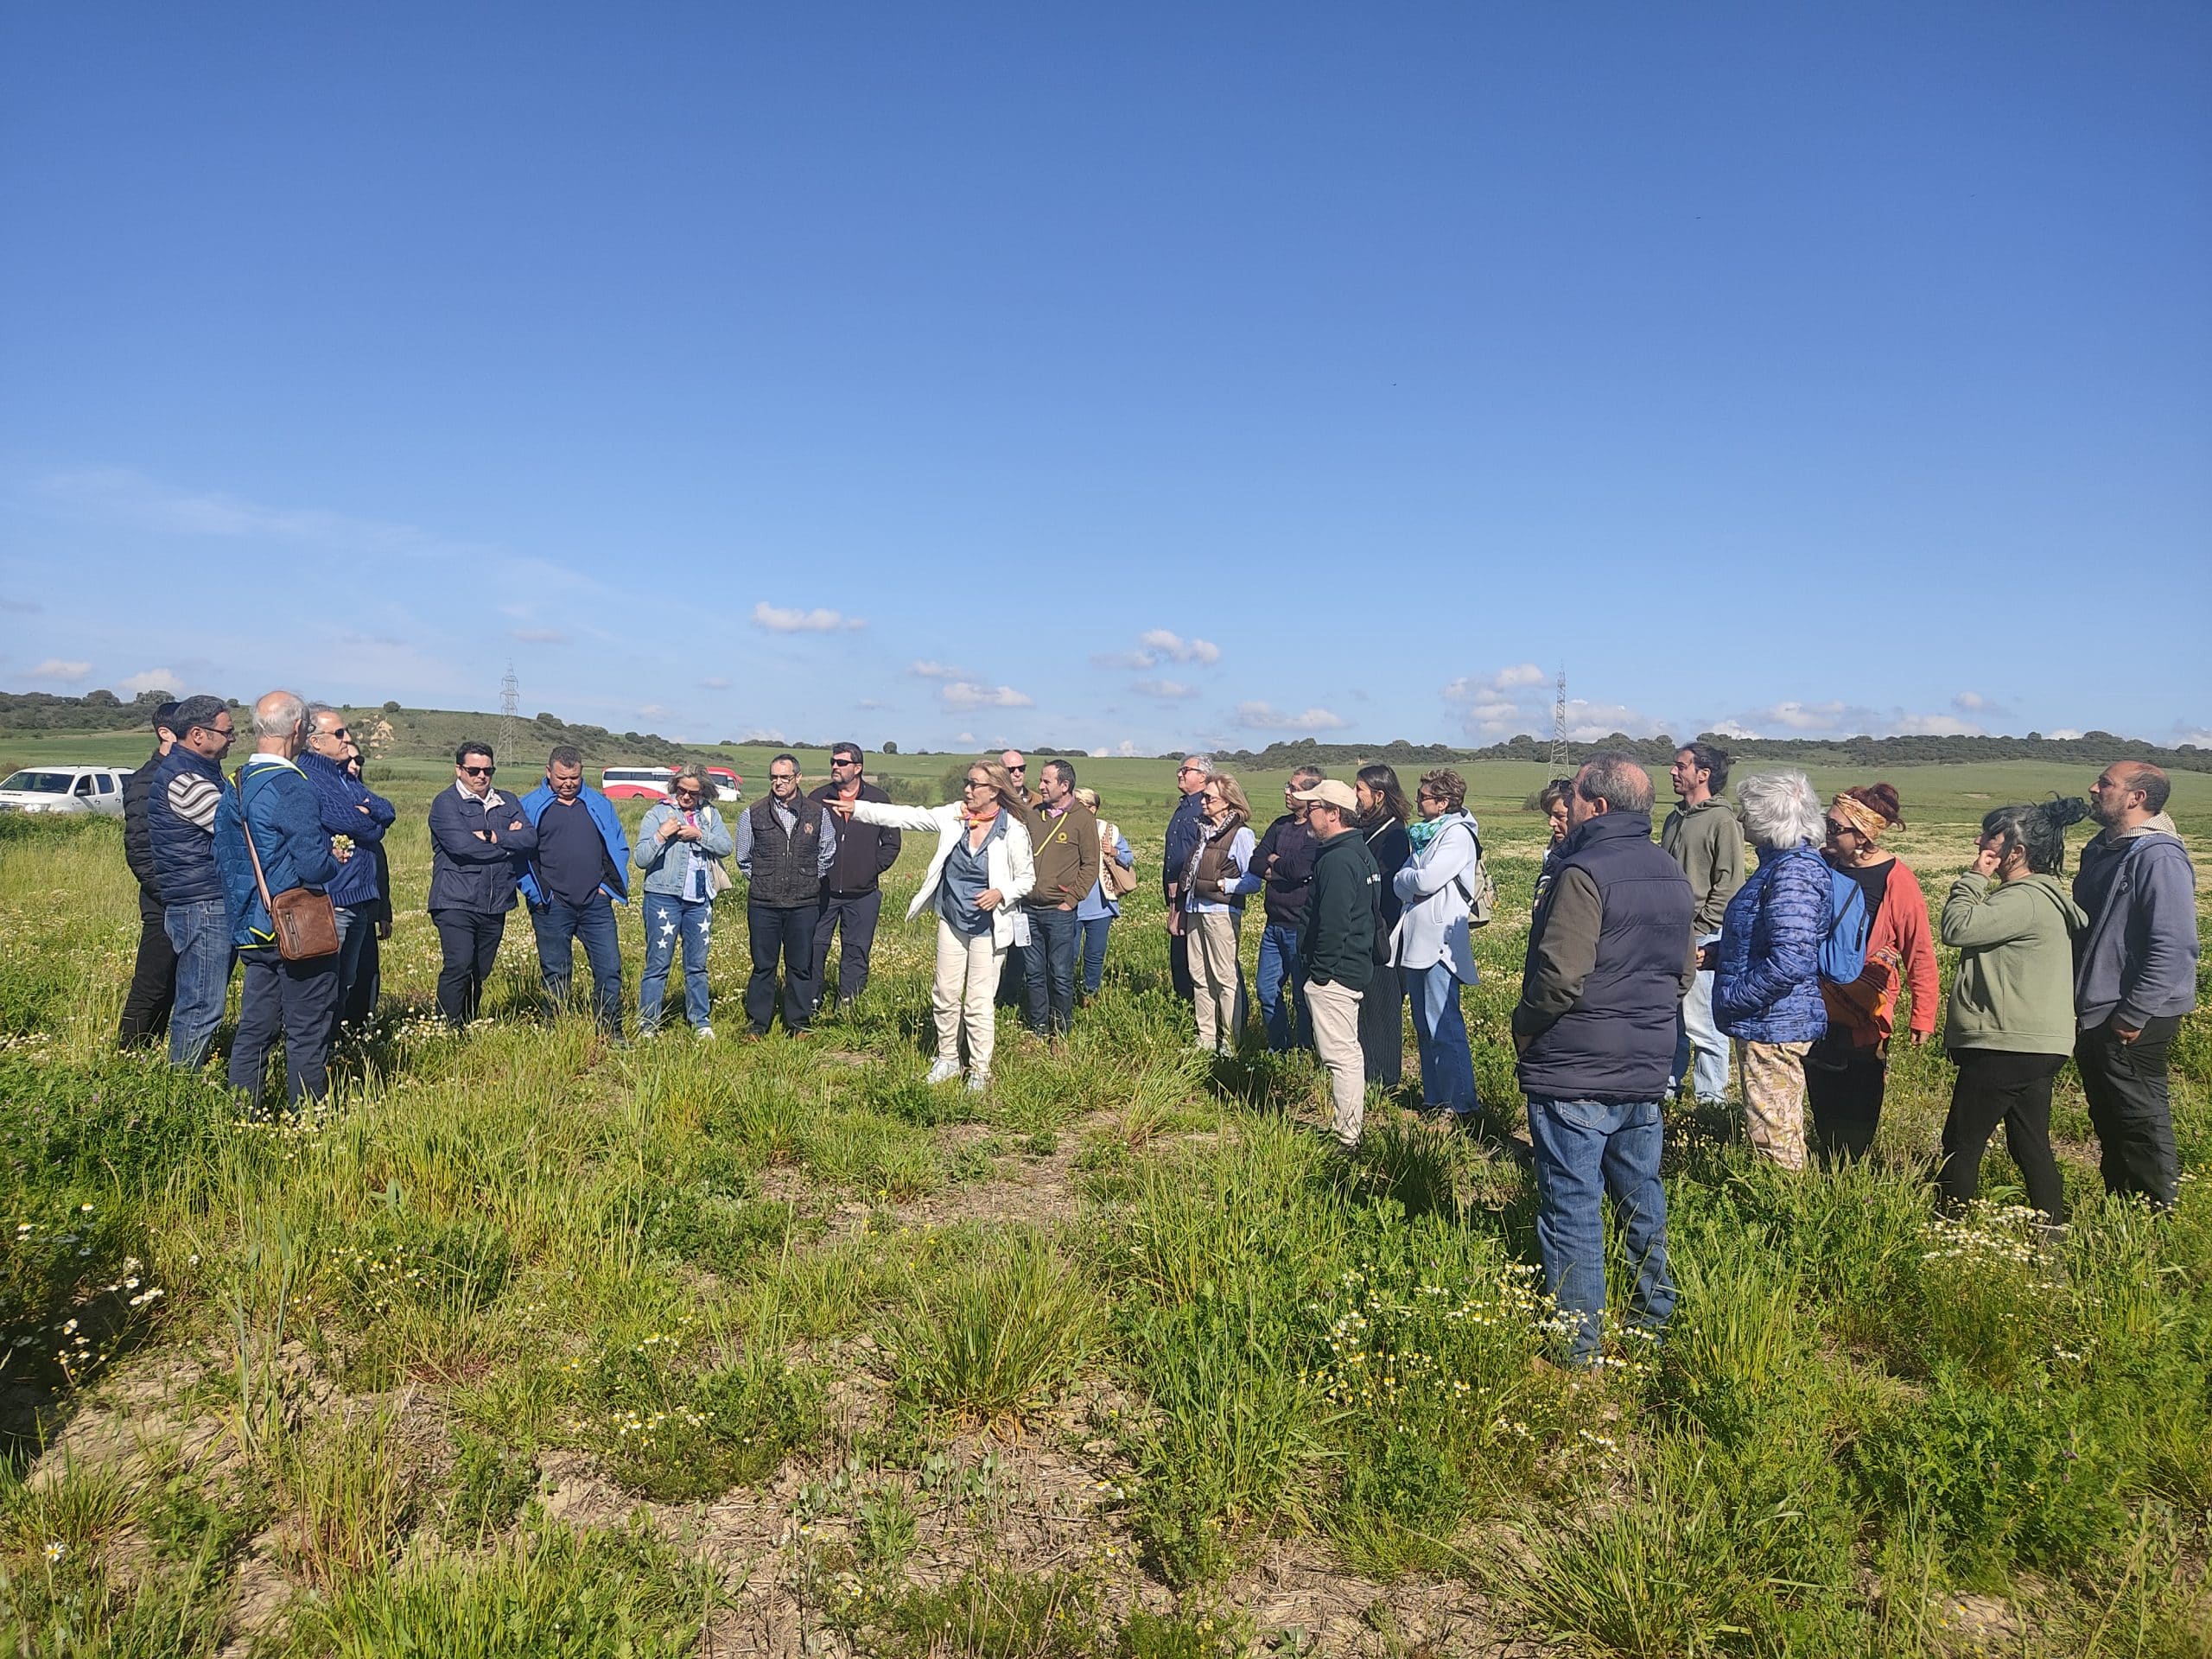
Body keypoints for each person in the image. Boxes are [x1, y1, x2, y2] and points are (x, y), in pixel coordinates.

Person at [1512, 754, 1695, 1364]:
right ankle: (1652, 1323)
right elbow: (1683, 972)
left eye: (1579, 798)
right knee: (1641, 1195)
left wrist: (1526, 1026)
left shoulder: (1582, 872)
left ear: (1598, 805)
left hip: (1576, 1065)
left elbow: (1559, 978)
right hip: (1645, 1064)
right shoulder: (1669, 870)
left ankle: (1575, 1344)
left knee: (1572, 1205)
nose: (1572, 807)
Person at [828, 761, 1035, 1090]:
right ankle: (948, 1058)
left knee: (978, 1001)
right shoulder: (956, 816)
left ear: (994, 791)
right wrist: (859, 809)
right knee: (946, 992)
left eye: (974, 785)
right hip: (952, 919)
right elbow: (910, 816)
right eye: (967, 783)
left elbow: (1027, 879)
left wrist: (1000, 892)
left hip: (988, 927)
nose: (967, 790)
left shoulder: (1012, 831)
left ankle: (980, 1070)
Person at [1937, 799, 2091, 1220]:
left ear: (2015, 852)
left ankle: (1947, 1229)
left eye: (1989, 837)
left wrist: (1974, 877)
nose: (1979, 842)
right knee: (2029, 1142)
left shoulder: (2022, 899)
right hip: (2039, 1043)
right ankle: (2051, 1229)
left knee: (1961, 1142)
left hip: (2006, 1041)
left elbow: (1955, 927)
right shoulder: (2043, 898)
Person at [2075, 763, 2199, 1209]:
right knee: (2110, 1111)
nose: (2093, 788)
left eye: (2105, 784)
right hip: (2100, 1005)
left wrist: (2134, 1012)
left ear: (2136, 799)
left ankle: (2154, 1210)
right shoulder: (2106, 848)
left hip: (2132, 1012)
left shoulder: (2157, 856)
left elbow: (2176, 945)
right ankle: (2122, 1207)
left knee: (2139, 1114)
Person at [213, 691, 343, 1113]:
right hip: (296, 928)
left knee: (255, 1027)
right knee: (307, 1030)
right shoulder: (292, 787)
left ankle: (240, 1115)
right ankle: (307, 1122)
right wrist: (333, 859)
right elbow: (312, 865)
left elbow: (227, 857)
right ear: (298, 730)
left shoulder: (235, 783)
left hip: (252, 925)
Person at [1806, 785, 1937, 1160]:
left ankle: (1852, 1168)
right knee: (1822, 1091)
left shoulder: (1898, 880)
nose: (1826, 832)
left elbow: (1920, 951)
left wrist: (1923, 1016)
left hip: (1867, 1011)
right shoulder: (1821, 865)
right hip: (1817, 1006)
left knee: (1860, 1093)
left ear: (1862, 835)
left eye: (1835, 827)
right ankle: (1832, 1161)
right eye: (1826, 824)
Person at [1713, 770, 1830, 1171]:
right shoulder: (1783, 866)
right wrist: (1718, 954)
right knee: (1777, 1125)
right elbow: (1771, 939)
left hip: (1774, 1022)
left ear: (1768, 819)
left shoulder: (1792, 872)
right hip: (1774, 1018)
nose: (1741, 820)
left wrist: (1736, 996)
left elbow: (1791, 960)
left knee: (1775, 1135)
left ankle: (1785, 1213)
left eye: (1747, 812)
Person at [149, 695, 238, 1070]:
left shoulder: (197, 772)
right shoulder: (186, 780)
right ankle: (181, 1086)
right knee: (201, 1004)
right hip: (203, 902)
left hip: (203, 900)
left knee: (201, 1000)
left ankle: (183, 1077)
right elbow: (236, 828)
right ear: (199, 734)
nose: (232, 738)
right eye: (227, 732)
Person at [518, 746, 631, 1035]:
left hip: (595, 901)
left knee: (609, 968)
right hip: (552, 904)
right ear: (548, 773)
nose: (568, 783)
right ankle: (554, 1030)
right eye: (561, 778)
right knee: (556, 971)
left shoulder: (598, 804)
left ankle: (610, 1030)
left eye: (575, 778)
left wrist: (606, 888)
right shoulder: (530, 805)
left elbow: (618, 844)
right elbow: (517, 856)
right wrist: (537, 892)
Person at [1393, 768, 1484, 1123]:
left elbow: (1426, 880)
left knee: (1443, 1025)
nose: (1417, 800)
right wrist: (1409, 881)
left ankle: (1462, 1104)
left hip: (1439, 943)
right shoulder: (1425, 835)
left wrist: (1408, 880)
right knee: (1424, 1025)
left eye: (1424, 796)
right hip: (1417, 940)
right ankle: (1435, 1099)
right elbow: (1402, 881)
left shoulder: (1457, 835)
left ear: (1443, 803)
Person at [300, 706, 396, 1031]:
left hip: (356, 898)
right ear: (314, 742)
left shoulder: (342, 776)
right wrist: (369, 821)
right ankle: (314, 1059)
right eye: (339, 733)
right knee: (326, 987)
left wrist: (367, 816)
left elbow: (387, 809)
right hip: (333, 898)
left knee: (346, 984)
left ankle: (332, 1053)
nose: (347, 739)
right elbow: (353, 821)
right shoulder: (311, 777)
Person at [427, 741, 537, 1026]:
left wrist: (491, 836)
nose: (481, 776)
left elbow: (530, 839)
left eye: (487, 770)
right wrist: (509, 841)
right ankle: (445, 1028)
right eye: (474, 770)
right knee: (459, 965)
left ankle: (467, 1022)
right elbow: (463, 847)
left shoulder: (508, 801)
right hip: (455, 899)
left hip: (496, 900)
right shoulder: (445, 803)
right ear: (459, 770)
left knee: (480, 970)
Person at [1297, 781, 1382, 1149]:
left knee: (1341, 1056)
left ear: (1333, 813)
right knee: (1346, 1052)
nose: (1307, 814)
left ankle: (1348, 1134)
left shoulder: (1337, 859)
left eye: (1313, 807)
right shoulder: (1358, 852)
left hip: (1337, 972)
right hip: (1352, 965)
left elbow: (1334, 922)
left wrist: (1321, 972)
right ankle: (1348, 1127)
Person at [1662, 741, 1745, 1108]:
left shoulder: (1722, 821)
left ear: (1703, 774)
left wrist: (1702, 931)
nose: (1673, 771)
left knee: (1703, 1025)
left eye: (1681, 766)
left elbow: (1729, 884)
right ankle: (1667, 1091)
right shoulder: (1673, 818)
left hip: (1702, 938)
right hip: (1667, 933)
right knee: (1669, 1019)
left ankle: (1712, 1103)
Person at [732, 753, 836, 1038]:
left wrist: (807, 880)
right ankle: (758, 1023)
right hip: (763, 904)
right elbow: (743, 858)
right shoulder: (752, 813)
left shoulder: (818, 813)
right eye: (774, 777)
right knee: (763, 966)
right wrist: (765, 881)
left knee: (800, 966)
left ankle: (798, 1023)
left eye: (784, 777)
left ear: (798, 778)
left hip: (804, 903)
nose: (778, 782)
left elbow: (827, 852)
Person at [633, 765, 734, 1039]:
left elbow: (726, 847)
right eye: (682, 790)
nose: (687, 797)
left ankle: (700, 1022)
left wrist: (700, 835)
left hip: (700, 898)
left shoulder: (709, 815)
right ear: (674, 787)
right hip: (663, 897)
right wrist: (662, 834)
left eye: (693, 792)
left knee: (697, 965)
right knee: (657, 963)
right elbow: (641, 858)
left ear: (703, 792)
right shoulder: (657, 814)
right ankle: (647, 1024)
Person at [808, 742, 901, 1016]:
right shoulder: (818, 797)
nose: (835, 767)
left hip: (863, 894)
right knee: (814, 946)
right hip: (822, 890)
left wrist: (869, 869)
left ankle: (849, 1004)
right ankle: (811, 1000)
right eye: (833, 762)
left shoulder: (878, 799)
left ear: (858, 768)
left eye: (842, 762)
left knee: (856, 949)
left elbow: (892, 843)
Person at [1020, 760, 1100, 1040]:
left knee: (1061, 974)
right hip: (1028, 910)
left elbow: (1091, 864)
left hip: (1060, 911)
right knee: (1033, 972)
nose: (1040, 786)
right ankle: (1038, 1029)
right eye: (1041, 780)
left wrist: (1072, 899)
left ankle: (1062, 1031)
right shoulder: (1032, 815)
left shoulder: (1082, 819)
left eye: (1046, 782)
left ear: (1064, 785)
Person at [117, 700, 181, 1049]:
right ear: (165, 733)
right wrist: (173, 895)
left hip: (182, 898)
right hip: (164, 902)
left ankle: (153, 1051)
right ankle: (129, 1055)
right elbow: (140, 851)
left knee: (174, 984)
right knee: (152, 984)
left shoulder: (182, 774)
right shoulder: (148, 780)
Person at [1182, 772, 1259, 1055]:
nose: (1203, 802)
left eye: (1209, 797)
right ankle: (1205, 1038)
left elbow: (1253, 880)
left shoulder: (1241, 835)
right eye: (1203, 796)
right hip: (1195, 908)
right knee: (1199, 976)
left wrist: (1224, 885)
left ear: (1228, 802)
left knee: (1224, 978)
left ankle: (1230, 1042)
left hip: (1221, 912)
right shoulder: (1203, 832)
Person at [1253, 766, 1325, 1052]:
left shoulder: (1315, 833)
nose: (1286, 791)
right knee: (1266, 990)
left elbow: (1301, 868)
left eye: (1293, 788)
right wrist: (1279, 868)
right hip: (1274, 925)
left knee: (1301, 996)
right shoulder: (1280, 825)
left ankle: (1306, 1050)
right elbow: (1256, 861)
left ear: (1310, 794)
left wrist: (1275, 866)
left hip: (1300, 927)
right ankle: (1279, 1046)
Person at [1354, 764, 1414, 1088]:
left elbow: (1389, 890)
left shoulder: (1394, 835)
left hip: (1385, 935)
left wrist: (1377, 931)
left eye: (1359, 790)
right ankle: (1368, 1071)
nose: (1355, 796)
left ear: (1379, 795)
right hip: (1368, 932)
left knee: (1382, 1007)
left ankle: (1386, 1078)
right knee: (1367, 1008)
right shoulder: (1367, 829)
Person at [340, 747, 392, 1028]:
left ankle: (362, 1028)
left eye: (359, 760)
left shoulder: (367, 798)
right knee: (338, 975)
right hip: (338, 901)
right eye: (348, 760)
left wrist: (384, 911)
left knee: (367, 971)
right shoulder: (329, 798)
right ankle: (339, 1030)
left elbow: (378, 864)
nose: (355, 765)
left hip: (367, 903)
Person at [1071, 785, 1134, 1001]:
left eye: (1082, 805)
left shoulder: (1109, 830)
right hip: (1070, 903)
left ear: (1094, 808)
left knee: (1094, 954)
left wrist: (1113, 851)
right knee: (1068, 955)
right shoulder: (1064, 827)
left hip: (1100, 904)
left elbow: (1128, 858)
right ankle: (1065, 994)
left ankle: (1090, 994)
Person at [1162, 754, 1212, 1001]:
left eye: (1186, 770)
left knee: (1193, 959)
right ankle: (1184, 1004)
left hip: (1192, 895)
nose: (1180, 774)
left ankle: (1195, 1008)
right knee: (1179, 957)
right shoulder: (1184, 807)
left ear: (1202, 776)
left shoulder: (1204, 808)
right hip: (1176, 897)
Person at [1533, 778, 1573, 911]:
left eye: (1560, 816)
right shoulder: (1554, 851)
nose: (1551, 823)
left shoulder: (1585, 857)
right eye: (1550, 815)